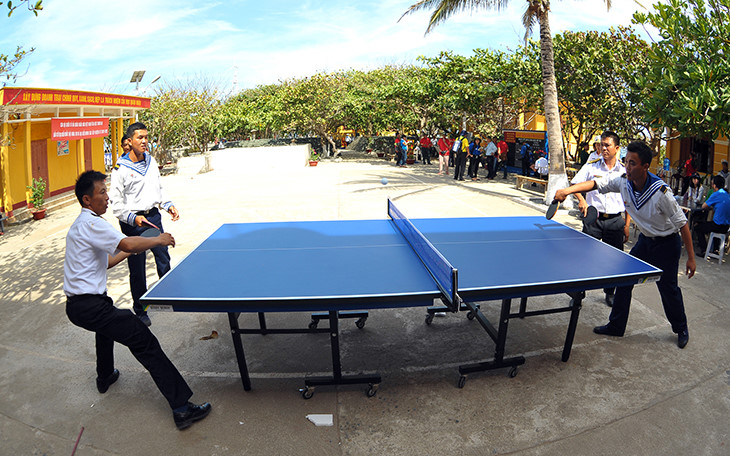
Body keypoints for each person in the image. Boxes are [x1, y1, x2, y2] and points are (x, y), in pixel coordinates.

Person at [64, 170, 211, 430]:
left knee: (105, 329)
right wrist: (158, 240)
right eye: (102, 192)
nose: (107, 197)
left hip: (80, 306)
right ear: (87, 199)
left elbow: (108, 261)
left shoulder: (81, 225)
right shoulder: (93, 224)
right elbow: (128, 244)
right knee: (144, 340)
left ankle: (105, 376)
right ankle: (181, 408)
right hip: (90, 305)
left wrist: (137, 244)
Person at [555, 140, 694, 349]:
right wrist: (567, 191)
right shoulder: (623, 182)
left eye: (633, 163)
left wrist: (691, 258)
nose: (627, 167)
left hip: (667, 243)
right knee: (624, 280)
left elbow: (682, 224)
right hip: (645, 241)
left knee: (668, 289)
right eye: (626, 162)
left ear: (645, 167)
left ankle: (681, 328)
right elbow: (595, 184)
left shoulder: (661, 193)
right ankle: (616, 326)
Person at [110, 122, 179, 327]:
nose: (144, 141)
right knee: (137, 268)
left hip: (153, 218)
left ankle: (167, 294)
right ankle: (141, 309)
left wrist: (168, 205)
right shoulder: (120, 169)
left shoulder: (151, 161)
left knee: (163, 256)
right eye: (140, 137)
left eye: (146, 137)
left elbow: (158, 188)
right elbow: (116, 204)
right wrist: (134, 218)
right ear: (129, 141)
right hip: (133, 223)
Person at [570, 131, 631, 307]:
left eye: (607, 145)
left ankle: (610, 292)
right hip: (593, 220)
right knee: (584, 258)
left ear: (617, 148)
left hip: (615, 221)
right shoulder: (592, 166)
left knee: (613, 260)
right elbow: (575, 184)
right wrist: (582, 200)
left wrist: (626, 224)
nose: (603, 148)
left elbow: (629, 200)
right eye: (601, 145)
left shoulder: (624, 171)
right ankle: (578, 294)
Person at [694, 175, 730, 256]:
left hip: (718, 225)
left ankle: (704, 250)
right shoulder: (727, 194)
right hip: (726, 227)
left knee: (698, 227)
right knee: (713, 224)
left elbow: (703, 206)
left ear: (714, 185)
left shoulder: (716, 194)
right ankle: (715, 249)